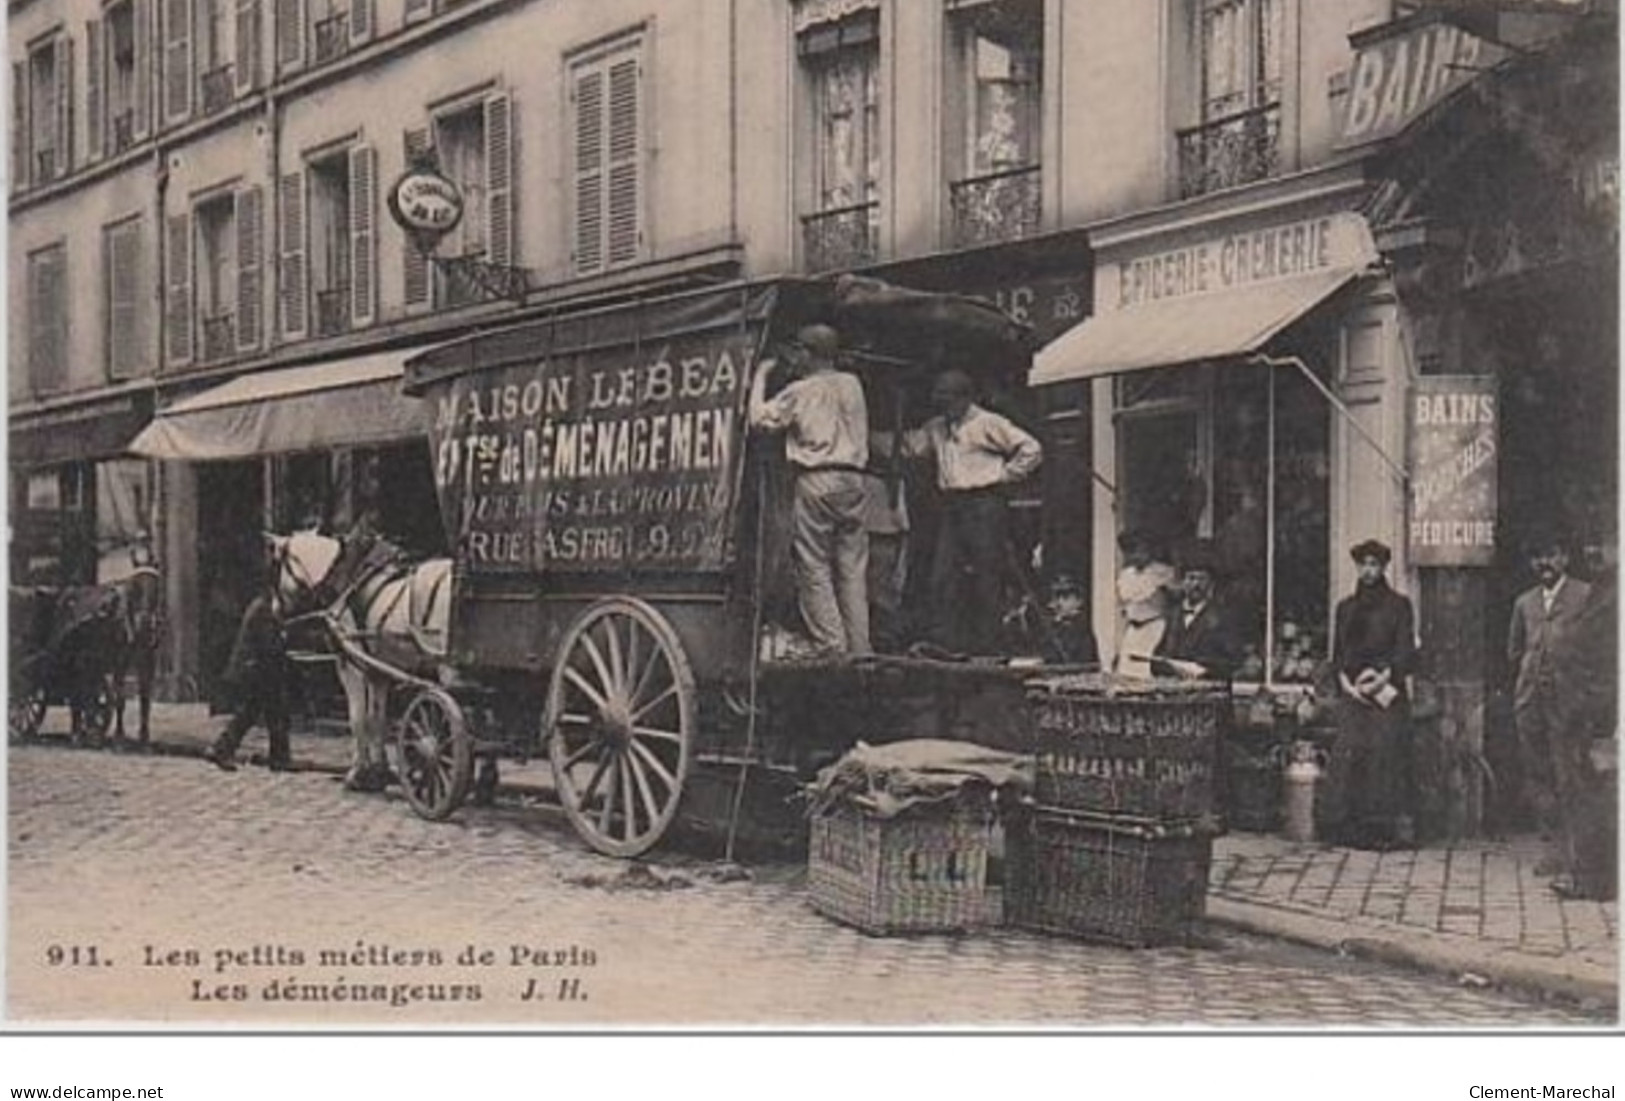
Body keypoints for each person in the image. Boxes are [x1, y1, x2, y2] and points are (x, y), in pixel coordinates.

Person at [886, 368, 1042, 654]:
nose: (943, 407)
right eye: (940, 401)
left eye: (948, 401)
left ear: (964, 399)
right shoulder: (936, 426)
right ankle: (949, 642)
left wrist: (1005, 475)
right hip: (953, 504)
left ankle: (991, 645)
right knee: (943, 574)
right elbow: (911, 447)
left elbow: (1031, 448)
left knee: (987, 572)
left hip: (984, 502)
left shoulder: (988, 423)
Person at [748, 323, 871, 657]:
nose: (796, 356)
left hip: (818, 479)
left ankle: (832, 644)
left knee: (813, 565)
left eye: (799, 350)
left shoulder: (801, 390)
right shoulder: (853, 384)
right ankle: (861, 649)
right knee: (851, 569)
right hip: (855, 481)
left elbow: (758, 419)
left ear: (809, 353)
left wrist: (761, 375)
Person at [1507, 532, 1599, 892]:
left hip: (1569, 702)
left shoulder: (1585, 595)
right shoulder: (1524, 603)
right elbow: (1514, 651)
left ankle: (1580, 855)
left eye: (1551, 554)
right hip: (1531, 702)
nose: (1544, 564)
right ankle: (1552, 850)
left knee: (1570, 775)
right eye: (1537, 557)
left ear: (1564, 557)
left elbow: (1597, 651)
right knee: (1539, 774)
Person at [1323, 539, 1418, 850]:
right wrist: (1348, 686)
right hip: (1354, 694)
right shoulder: (1345, 608)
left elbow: (1405, 650)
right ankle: (1345, 827)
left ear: (1384, 567)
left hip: (1386, 691)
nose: (1368, 571)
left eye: (1374, 565)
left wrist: (1382, 678)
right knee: (1348, 751)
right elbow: (1338, 654)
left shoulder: (1399, 606)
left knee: (1382, 755)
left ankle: (1380, 830)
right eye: (1363, 564)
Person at [209, 578, 294, 772]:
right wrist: (283, 639)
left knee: (271, 711)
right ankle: (221, 749)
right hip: (253, 670)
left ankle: (279, 758)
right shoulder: (263, 609)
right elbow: (267, 644)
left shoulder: (266, 607)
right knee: (255, 713)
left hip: (260, 669)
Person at [1152, 541, 1239, 683]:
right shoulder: (1172, 615)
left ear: (1211, 583)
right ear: (1183, 582)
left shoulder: (1221, 618)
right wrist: (1166, 666)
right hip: (1174, 691)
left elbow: (1231, 662)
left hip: (1208, 693)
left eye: (1202, 579)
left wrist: (1204, 670)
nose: (1196, 585)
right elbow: (1157, 659)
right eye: (1191, 578)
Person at [1113, 528, 1176, 679]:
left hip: (1155, 626)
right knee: (1126, 671)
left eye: (1138, 550)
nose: (1135, 556)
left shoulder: (1162, 572)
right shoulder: (1126, 575)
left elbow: (1175, 601)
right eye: (1129, 552)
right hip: (1133, 629)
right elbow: (1125, 604)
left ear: (1148, 549)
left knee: (1146, 669)